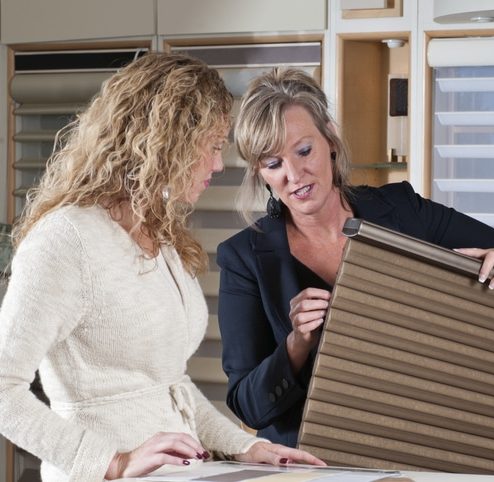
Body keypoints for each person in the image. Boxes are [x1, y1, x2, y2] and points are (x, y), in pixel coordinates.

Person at [0, 53, 325, 482]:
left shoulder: (159, 237)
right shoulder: (66, 240)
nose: (216, 164)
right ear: (165, 141)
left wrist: (247, 446)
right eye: (209, 146)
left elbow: (169, 387)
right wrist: (111, 462)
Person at [216, 67, 494, 448]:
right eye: (273, 163)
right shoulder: (243, 257)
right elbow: (247, 406)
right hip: (314, 464)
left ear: (330, 138)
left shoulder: (403, 209)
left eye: (304, 151)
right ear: (260, 172)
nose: (295, 174)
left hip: (421, 446)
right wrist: (297, 344)